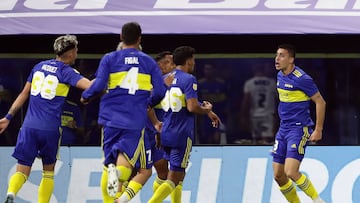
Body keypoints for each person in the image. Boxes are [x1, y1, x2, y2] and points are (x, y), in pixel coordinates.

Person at [80, 22, 166, 203]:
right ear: (140, 39)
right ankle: (118, 174)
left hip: (110, 117)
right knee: (125, 161)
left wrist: (86, 96)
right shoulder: (148, 62)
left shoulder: (110, 59)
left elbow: (99, 84)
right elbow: (160, 91)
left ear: (121, 36)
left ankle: (111, 179)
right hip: (134, 119)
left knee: (108, 163)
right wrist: (147, 102)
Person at [0, 34, 92, 203]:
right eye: (76, 50)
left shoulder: (39, 66)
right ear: (71, 52)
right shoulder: (67, 72)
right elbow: (90, 86)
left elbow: (24, 94)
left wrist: (8, 117)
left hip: (28, 127)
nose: (77, 53)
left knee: (22, 170)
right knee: (48, 172)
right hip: (50, 129)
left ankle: (11, 193)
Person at [147, 46, 221, 203]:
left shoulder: (165, 79)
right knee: (174, 178)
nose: (194, 62)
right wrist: (206, 109)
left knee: (178, 176)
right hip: (181, 134)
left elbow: (148, 105)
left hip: (166, 132)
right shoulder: (189, 79)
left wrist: (156, 124)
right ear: (189, 61)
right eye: (193, 59)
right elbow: (192, 107)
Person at [115, 51, 175, 203]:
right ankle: (118, 198)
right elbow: (146, 104)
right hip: (145, 132)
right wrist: (155, 125)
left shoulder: (171, 80)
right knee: (141, 171)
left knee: (163, 171)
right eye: (168, 62)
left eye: (173, 62)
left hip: (158, 134)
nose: (172, 65)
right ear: (159, 65)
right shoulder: (152, 80)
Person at [271, 44, 326, 203]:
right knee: (278, 175)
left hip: (299, 129)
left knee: (291, 172)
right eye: (276, 55)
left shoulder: (302, 79)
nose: (277, 59)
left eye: (282, 55)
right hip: (283, 130)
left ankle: (317, 200)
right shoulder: (280, 75)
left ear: (291, 59)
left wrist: (318, 129)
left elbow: (320, 102)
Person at [240, 62, 277, 145]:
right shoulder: (272, 83)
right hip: (268, 114)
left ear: (254, 70)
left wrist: (243, 115)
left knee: (255, 141)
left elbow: (246, 100)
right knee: (267, 141)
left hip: (254, 115)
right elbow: (277, 100)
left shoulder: (249, 83)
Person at [197, 63, 229, 144]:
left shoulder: (222, 84)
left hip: (219, 115)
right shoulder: (200, 84)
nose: (208, 71)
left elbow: (228, 99)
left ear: (214, 70)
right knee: (207, 139)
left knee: (217, 138)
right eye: (206, 69)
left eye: (210, 69)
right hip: (205, 117)